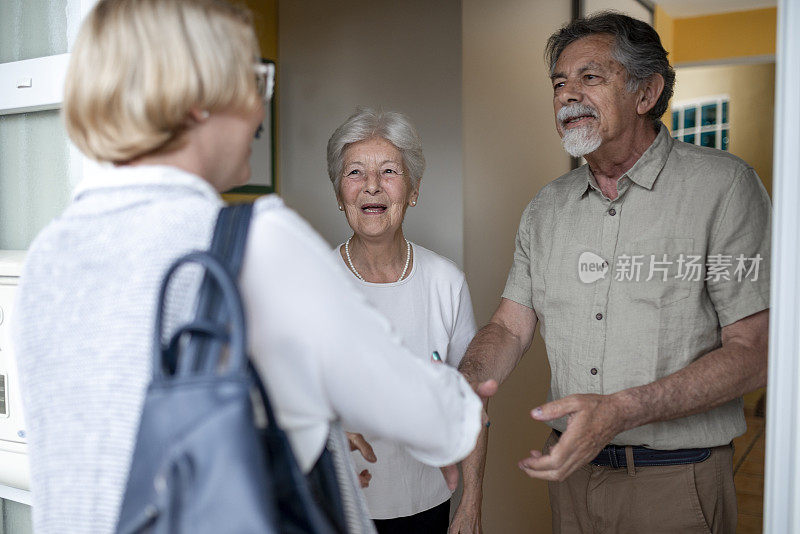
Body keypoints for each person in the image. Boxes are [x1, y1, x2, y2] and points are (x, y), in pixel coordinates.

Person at [11, 2, 490, 533]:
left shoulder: (45, 260)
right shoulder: (257, 243)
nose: (260, 108)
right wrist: (462, 404)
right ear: (195, 100)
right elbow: (426, 413)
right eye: (252, 80)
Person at [457, 12, 771, 534]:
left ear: (646, 93)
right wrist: (467, 379)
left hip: (676, 483)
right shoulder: (546, 208)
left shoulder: (724, 188)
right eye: (559, 82)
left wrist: (621, 411)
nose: (567, 95)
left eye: (590, 77)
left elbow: (755, 353)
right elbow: (511, 326)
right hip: (571, 477)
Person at [326, 108, 478, 534]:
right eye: (355, 172)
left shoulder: (446, 282)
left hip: (427, 502)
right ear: (340, 194)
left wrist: (471, 503)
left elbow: (471, 404)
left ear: (412, 191)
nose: (371, 185)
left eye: (389, 171)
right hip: (338, 504)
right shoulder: (313, 284)